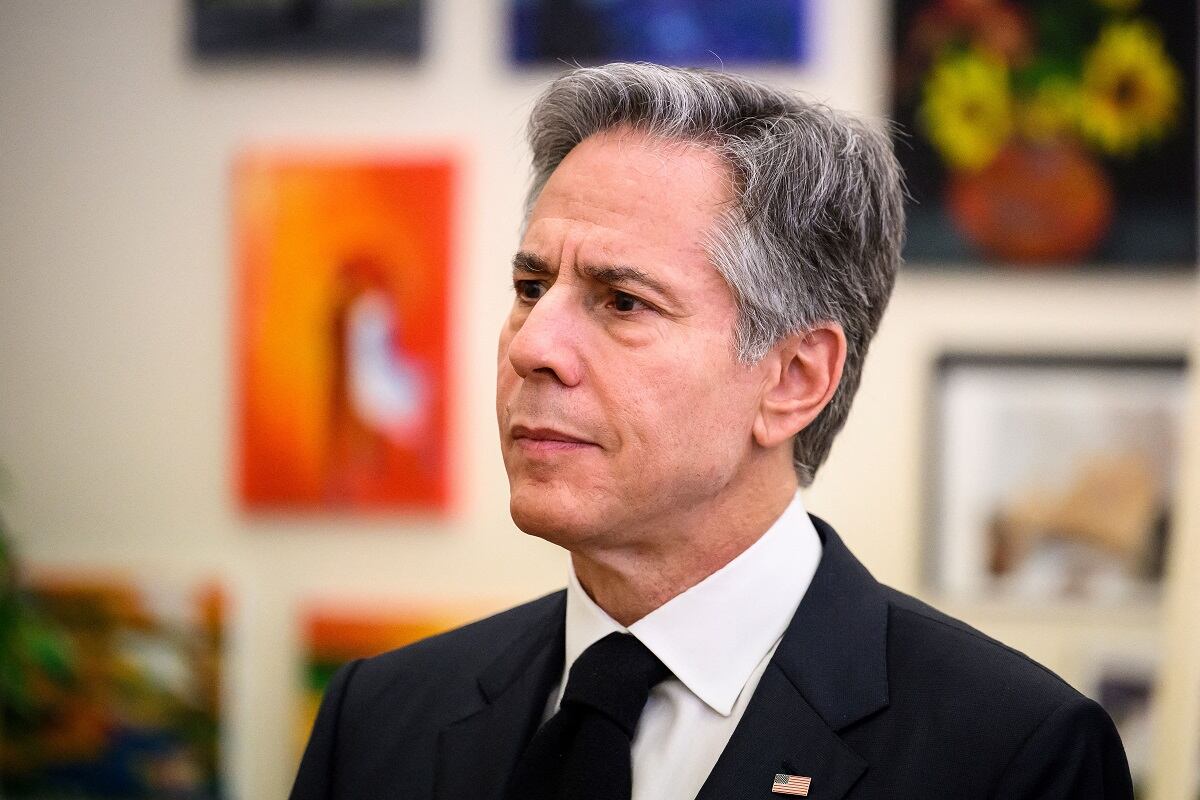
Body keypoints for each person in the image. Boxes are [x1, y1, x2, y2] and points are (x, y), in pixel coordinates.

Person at [291, 63, 1133, 800]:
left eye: (623, 301)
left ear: (794, 379)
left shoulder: (1013, 755)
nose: (533, 346)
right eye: (530, 287)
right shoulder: (377, 716)